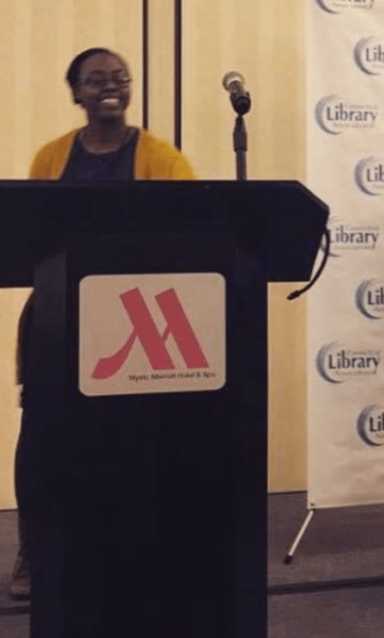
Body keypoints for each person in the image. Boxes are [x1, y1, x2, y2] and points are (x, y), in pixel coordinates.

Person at [8, 47, 195, 600]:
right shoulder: (49, 158)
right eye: (96, 80)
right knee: (42, 439)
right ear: (76, 93)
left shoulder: (162, 158)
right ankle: (34, 553)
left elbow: (191, 232)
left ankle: (120, 549)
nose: (110, 86)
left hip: (134, 321)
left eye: (120, 77)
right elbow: (30, 238)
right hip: (57, 314)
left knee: (127, 438)